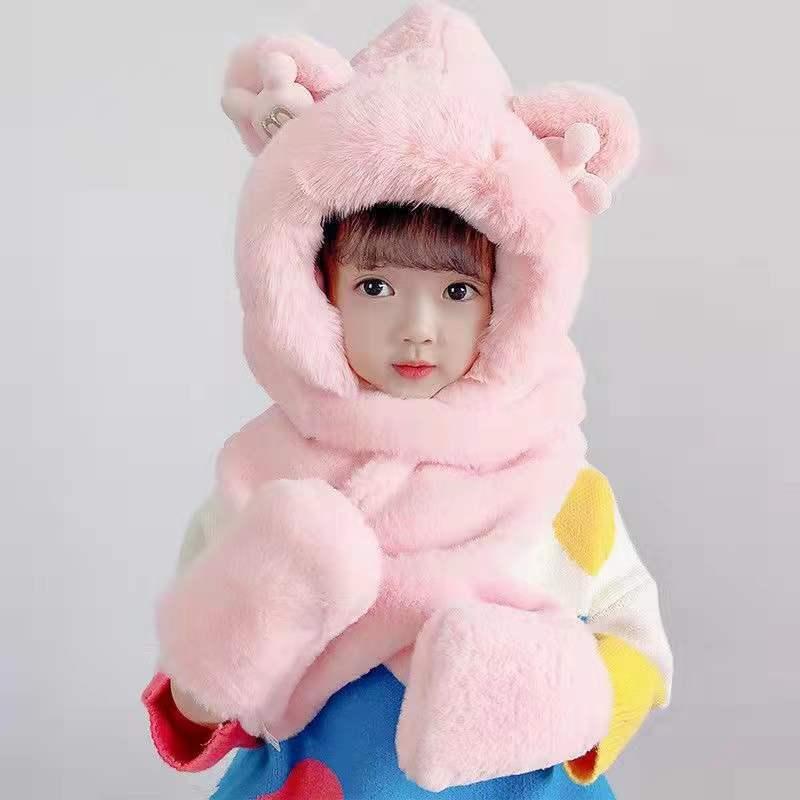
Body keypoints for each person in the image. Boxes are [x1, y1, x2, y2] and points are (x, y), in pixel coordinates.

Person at [141, 3, 673, 798]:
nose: (417, 328)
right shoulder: (262, 487)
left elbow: (639, 648)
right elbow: (197, 714)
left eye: (457, 291)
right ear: (312, 287)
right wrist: (227, 655)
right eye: (376, 286)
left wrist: (554, 695)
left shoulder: (566, 494)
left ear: (514, 301)